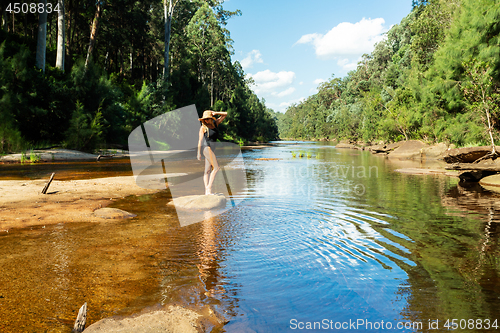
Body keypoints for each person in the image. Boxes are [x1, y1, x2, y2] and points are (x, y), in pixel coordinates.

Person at [197, 110, 227, 195]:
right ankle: (209, 188)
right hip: (206, 148)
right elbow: (200, 141)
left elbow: (225, 114)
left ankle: (206, 191)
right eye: (204, 119)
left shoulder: (215, 124)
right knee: (216, 168)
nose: (206, 120)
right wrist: (198, 153)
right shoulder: (203, 127)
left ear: (211, 118)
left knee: (207, 170)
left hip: (212, 149)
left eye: (207, 119)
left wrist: (216, 113)